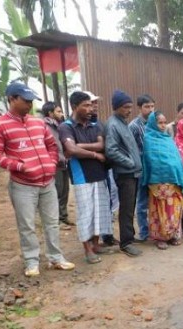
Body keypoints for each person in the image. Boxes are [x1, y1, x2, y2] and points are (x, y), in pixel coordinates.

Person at [0, 82, 75, 276]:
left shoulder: (37, 122)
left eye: (31, 101)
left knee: (52, 222)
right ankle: (31, 261)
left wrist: (51, 164)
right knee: (27, 225)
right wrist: (20, 166)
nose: (29, 104)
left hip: (47, 182)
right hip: (23, 186)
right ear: (11, 99)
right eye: (25, 101)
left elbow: (52, 145)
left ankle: (56, 258)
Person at [59, 91, 112, 264]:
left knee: (100, 210)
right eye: (86, 105)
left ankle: (96, 244)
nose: (90, 108)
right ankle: (87, 249)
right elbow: (72, 151)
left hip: (99, 174)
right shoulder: (66, 127)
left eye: (91, 105)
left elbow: (101, 144)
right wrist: (96, 155)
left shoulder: (94, 125)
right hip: (82, 176)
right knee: (85, 213)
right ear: (75, 107)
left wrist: (80, 146)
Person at [141, 112, 183, 249]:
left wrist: (177, 173)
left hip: (173, 181)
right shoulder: (148, 139)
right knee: (159, 210)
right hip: (157, 183)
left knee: (174, 209)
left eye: (164, 122)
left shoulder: (168, 139)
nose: (163, 125)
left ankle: (174, 234)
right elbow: (150, 160)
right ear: (152, 123)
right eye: (160, 123)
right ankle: (160, 237)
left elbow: (176, 160)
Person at [104, 90, 143, 257]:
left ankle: (130, 237)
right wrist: (130, 163)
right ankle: (126, 242)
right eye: (126, 107)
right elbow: (111, 150)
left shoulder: (122, 123)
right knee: (126, 208)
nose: (129, 110)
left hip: (132, 173)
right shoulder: (113, 125)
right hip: (125, 173)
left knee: (131, 206)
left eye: (130, 107)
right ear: (117, 107)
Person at [85, 90, 119, 247]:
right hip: (90, 172)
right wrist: (97, 152)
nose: (95, 106)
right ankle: (94, 241)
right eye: (91, 103)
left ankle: (107, 235)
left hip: (104, 169)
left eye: (96, 102)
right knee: (92, 207)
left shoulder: (99, 122)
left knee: (108, 202)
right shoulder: (85, 125)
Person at [128, 94, 155, 243]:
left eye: (152, 106)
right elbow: (130, 149)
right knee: (142, 202)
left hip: (155, 170)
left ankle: (156, 230)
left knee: (155, 202)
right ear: (140, 108)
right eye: (147, 107)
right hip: (141, 170)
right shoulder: (134, 126)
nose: (150, 110)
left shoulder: (156, 123)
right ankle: (144, 233)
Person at [41, 101, 72, 229]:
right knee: (57, 192)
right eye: (58, 111)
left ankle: (63, 217)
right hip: (54, 164)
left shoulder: (60, 126)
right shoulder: (45, 126)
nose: (61, 114)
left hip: (64, 162)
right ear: (50, 113)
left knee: (65, 190)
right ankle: (57, 220)